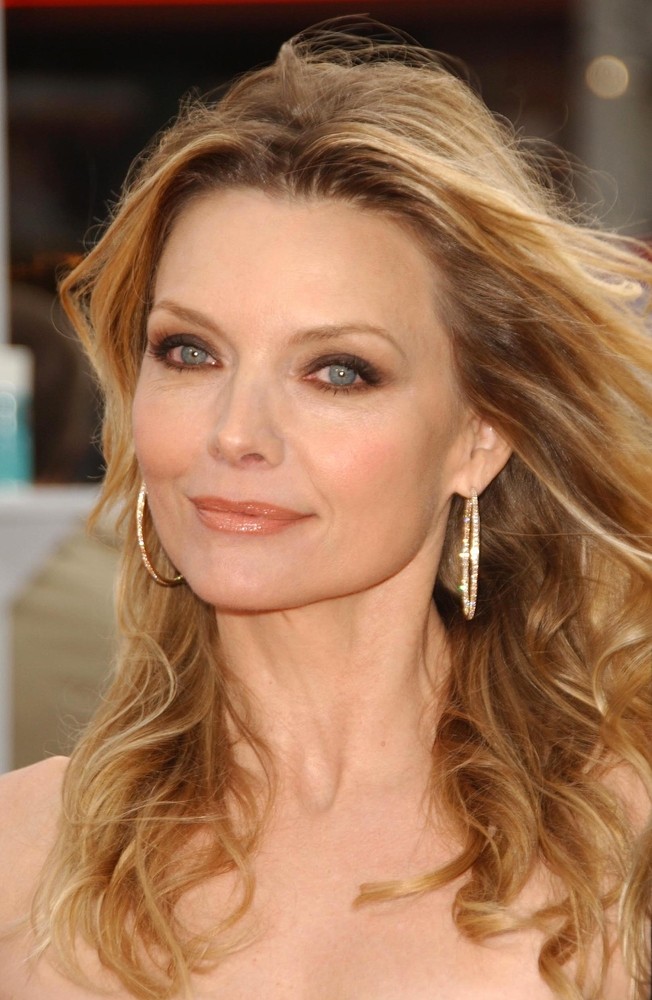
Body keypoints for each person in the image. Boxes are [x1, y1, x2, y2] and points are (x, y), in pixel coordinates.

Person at [0, 19, 650, 1000]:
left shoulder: (625, 851)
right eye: (189, 353)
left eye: (338, 370)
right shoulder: (23, 857)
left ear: (479, 435)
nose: (235, 432)